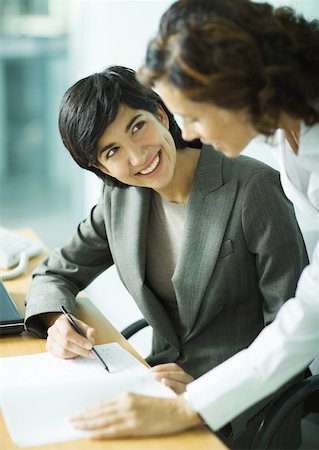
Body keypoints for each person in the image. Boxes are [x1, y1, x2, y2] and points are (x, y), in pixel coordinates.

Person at [67, 0, 319, 445]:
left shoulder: (258, 182)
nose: (192, 133)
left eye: (195, 114)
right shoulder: (291, 136)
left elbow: (304, 317)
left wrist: (195, 401)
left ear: (236, 84)